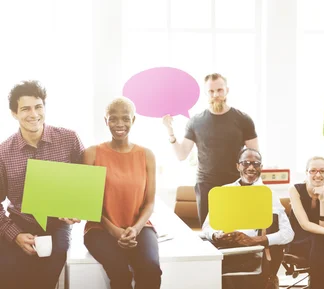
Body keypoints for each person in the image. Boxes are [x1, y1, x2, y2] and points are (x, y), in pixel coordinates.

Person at [0, 80, 85, 289]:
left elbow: (86, 184)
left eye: (38, 107)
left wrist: (77, 209)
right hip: (20, 221)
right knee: (8, 277)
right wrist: (15, 235)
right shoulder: (3, 153)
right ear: (14, 113)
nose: (33, 114)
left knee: (44, 277)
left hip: (57, 224)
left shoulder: (69, 139)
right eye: (25, 109)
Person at [82, 97, 162, 289]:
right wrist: (115, 231)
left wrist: (134, 229)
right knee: (120, 273)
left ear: (133, 120)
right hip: (100, 229)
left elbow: (150, 203)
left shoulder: (147, 155)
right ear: (105, 121)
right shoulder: (91, 154)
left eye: (125, 118)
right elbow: (88, 205)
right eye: (113, 118)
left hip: (139, 227)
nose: (120, 124)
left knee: (151, 270)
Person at [162, 73, 259, 225]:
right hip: (206, 186)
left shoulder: (243, 119)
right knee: (210, 235)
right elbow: (181, 155)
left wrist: (251, 185)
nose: (216, 95)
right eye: (211, 91)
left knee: (238, 233)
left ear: (227, 90)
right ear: (206, 93)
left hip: (236, 185)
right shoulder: (195, 121)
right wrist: (170, 131)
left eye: (220, 90)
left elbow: (255, 156)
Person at [203, 148, 294, 289]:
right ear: (238, 166)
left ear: (261, 168)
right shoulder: (224, 191)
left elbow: (288, 234)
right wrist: (216, 235)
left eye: (256, 164)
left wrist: (256, 240)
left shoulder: (268, 195)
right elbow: (207, 227)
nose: (251, 167)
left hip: (255, 252)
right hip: (226, 249)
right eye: (246, 163)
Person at [288, 156, 324, 289]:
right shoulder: (295, 190)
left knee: (322, 240)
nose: (318, 175)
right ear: (306, 173)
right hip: (299, 239)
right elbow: (304, 224)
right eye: (313, 171)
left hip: (321, 242)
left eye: (322, 171)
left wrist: (322, 199)